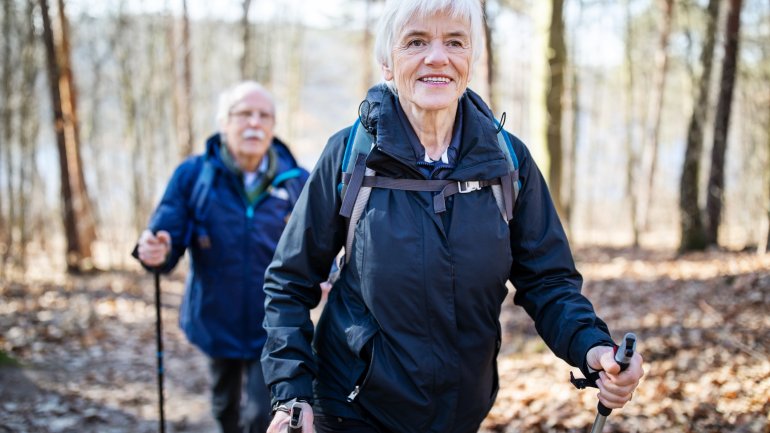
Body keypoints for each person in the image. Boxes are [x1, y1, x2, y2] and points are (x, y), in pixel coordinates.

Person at [261, 0, 644, 432]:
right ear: (387, 64)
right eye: (416, 41)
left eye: (454, 42)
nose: (437, 56)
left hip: (462, 411)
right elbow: (289, 282)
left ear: (469, 62)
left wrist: (593, 349)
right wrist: (291, 393)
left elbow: (549, 281)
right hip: (353, 407)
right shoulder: (352, 157)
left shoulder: (507, 161)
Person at [134, 81, 308, 433]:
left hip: (274, 324)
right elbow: (167, 230)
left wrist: (328, 273)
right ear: (223, 123)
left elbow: (318, 245)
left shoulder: (298, 182)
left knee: (263, 416)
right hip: (215, 316)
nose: (254, 123)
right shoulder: (195, 175)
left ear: (274, 126)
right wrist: (156, 249)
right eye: (244, 114)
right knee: (223, 407)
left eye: (264, 116)